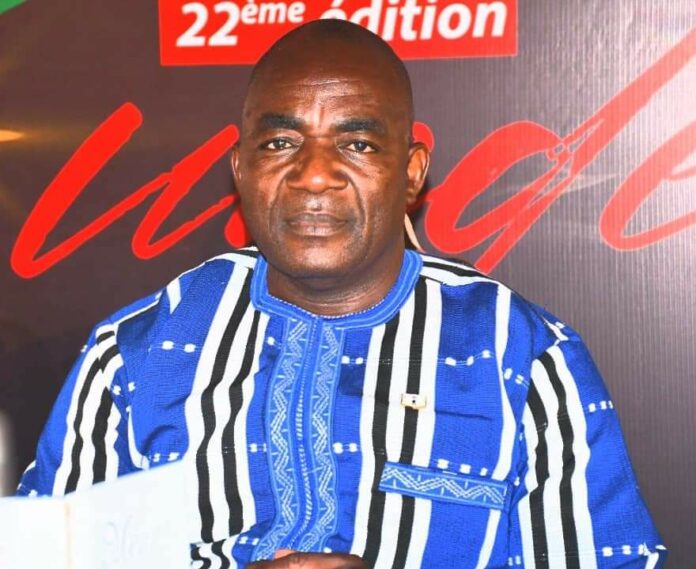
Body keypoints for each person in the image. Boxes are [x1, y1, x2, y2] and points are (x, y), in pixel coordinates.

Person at [18, 19, 665, 569]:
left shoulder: (520, 356)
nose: (314, 174)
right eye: (280, 142)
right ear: (241, 169)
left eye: (356, 143)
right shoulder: (134, 356)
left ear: (410, 172)